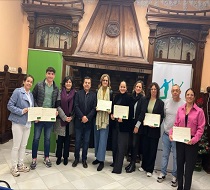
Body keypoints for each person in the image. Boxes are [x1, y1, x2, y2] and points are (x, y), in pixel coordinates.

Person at [169, 88, 205, 190]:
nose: (189, 96)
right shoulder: (180, 109)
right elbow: (175, 124)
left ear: (194, 97)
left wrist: (193, 140)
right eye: (188, 94)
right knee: (179, 165)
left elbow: (200, 129)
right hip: (180, 141)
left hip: (192, 142)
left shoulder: (199, 111)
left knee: (189, 168)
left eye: (191, 95)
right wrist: (171, 134)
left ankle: (186, 188)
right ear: (185, 96)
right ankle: (179, 187)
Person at [30, 67, 59, 169]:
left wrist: (56, 111)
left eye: (52, 74)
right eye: (49, 73)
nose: (50, 75)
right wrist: (35, 113)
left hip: (49, 118)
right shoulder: (39, 85)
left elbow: (56, 102)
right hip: (39, 117)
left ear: (54, 76)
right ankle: (34, 159)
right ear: (46, 74)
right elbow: (32, 98)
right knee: (36, 138)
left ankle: (46, 158)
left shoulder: (56, 88)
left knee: (47, 139)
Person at [157, 84, 185, 187]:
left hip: (177, 136)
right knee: (165, 155)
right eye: (173, 90)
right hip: (166, 134)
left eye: (177, 90)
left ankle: (175, 175)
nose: (175, 92)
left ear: (180, 92)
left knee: (176, 156)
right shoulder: (167, 102)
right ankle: (163, 173)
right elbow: (163, 116)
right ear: (171, 92)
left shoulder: (184, 104)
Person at [7, 75, 34, 177]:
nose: (29, 83)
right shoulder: (17, 92)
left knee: (23, 146)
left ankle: (20, 165)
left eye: (31, 82)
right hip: (18, 122)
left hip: (27, 123)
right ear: (24, 82)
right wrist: (22, 111)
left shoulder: (30, 94)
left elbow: (32, 109)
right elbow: (9, 105)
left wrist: (35, 116)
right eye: (28, 81)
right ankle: (13, 167)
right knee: (16, 146)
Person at [139, 82, 164, 177]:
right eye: (152, 89)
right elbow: (142, 113)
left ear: (157, 91)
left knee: (152, 149)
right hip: (145, 128)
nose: (153, 91)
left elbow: (162, 116)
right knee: (145, 148)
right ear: (149, 90)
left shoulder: (160, 103)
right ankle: (144, 166)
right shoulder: (145, 100)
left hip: (154, 130)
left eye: (155, 89)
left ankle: (150, 169)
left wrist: (157, 124)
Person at [72, 76, 96, 168]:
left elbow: (94, 108)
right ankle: (76, 158)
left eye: (89, 83)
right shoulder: (78, 94)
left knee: (86, 142)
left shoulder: (94, 95)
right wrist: (82, 117)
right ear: (83, 84)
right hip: (79, 121)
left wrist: (87, 118)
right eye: (85, 82)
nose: (87, 84)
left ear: (90, 85)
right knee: (77, 141)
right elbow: (76, 106)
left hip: (88, 123)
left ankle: (84, 159)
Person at [111, 81, 133, 174]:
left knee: (121, 147)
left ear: (126, 88)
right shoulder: (116, 96)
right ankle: (115, 162)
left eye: (124, 87)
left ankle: (117, 168)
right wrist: (112, 115)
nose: (122, 88)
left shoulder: (129, 98)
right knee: (115, 146)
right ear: (119, 87)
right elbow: (113, 109)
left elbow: (131, 114)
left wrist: (123, 119)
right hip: (115, 125)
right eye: (121, 86)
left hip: (124, 127)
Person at [54, 76, 76, 166]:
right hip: (61, 120)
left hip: (70, 120)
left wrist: (71, 117)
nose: (68, 84)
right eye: (67, 82)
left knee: (67, 140)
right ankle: (59, 157)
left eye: (70, 82)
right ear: (64, 83)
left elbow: (76, 106)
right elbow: (58, 105)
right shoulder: (60, 92)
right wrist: (64, 117)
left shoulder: (75, 93)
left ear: (72, 84)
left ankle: (66, 157)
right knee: (60, 140)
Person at [125, 80, 146, 173]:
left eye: (140, 87)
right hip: (130, 124)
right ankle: (130, 163)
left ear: (142, 89)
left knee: (135, 145)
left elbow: (142, 113)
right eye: (137, 86)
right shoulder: (131, 97)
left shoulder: (143, 99)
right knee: (130, 144)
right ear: (134, 87)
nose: (138, 88)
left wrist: (137, 126)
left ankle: (133, 164)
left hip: (137, 125)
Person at [92, 74, 112, 171]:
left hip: (105, 120)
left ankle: (101, 161)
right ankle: (97, 157)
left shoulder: (111, 92)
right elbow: (95, 103)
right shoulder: (97, 91)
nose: (105, 82)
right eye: (103, 80)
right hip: (97, 118)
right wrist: (96, 107)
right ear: (101, 81)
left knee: (103, 140)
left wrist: (110, 111)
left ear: (108, 82)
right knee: (97, 139)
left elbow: (112, 105)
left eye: (106, 80)